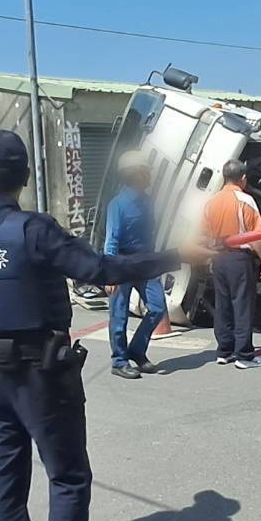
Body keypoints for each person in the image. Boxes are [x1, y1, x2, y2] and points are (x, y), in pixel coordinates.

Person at [0, 129, 212, 521]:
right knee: (66, 476)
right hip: (40, 373)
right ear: (24, 176)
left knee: (5, 477)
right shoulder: (34, 231)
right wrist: (176, 256)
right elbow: (99, 267)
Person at [200, 159, 261, 369]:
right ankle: (244, 355)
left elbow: (203, 234)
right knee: (242, 304)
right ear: (243, 178)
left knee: (222, 305)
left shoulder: (211, 202)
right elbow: (256, 235)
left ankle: (224, 351)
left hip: (219, 258)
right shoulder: (245, 200)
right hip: (239, 259)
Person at [102, 151, 165, 379]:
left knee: (158, 308)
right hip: (121, 263)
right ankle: (119, 361)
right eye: (146, 171)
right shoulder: (117, 204)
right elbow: (111, 238)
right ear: (135, 174)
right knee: (119, 315)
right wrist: (109, 274)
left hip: (145, 261)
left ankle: (137, 351)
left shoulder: (148, 201)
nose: (150, 175)